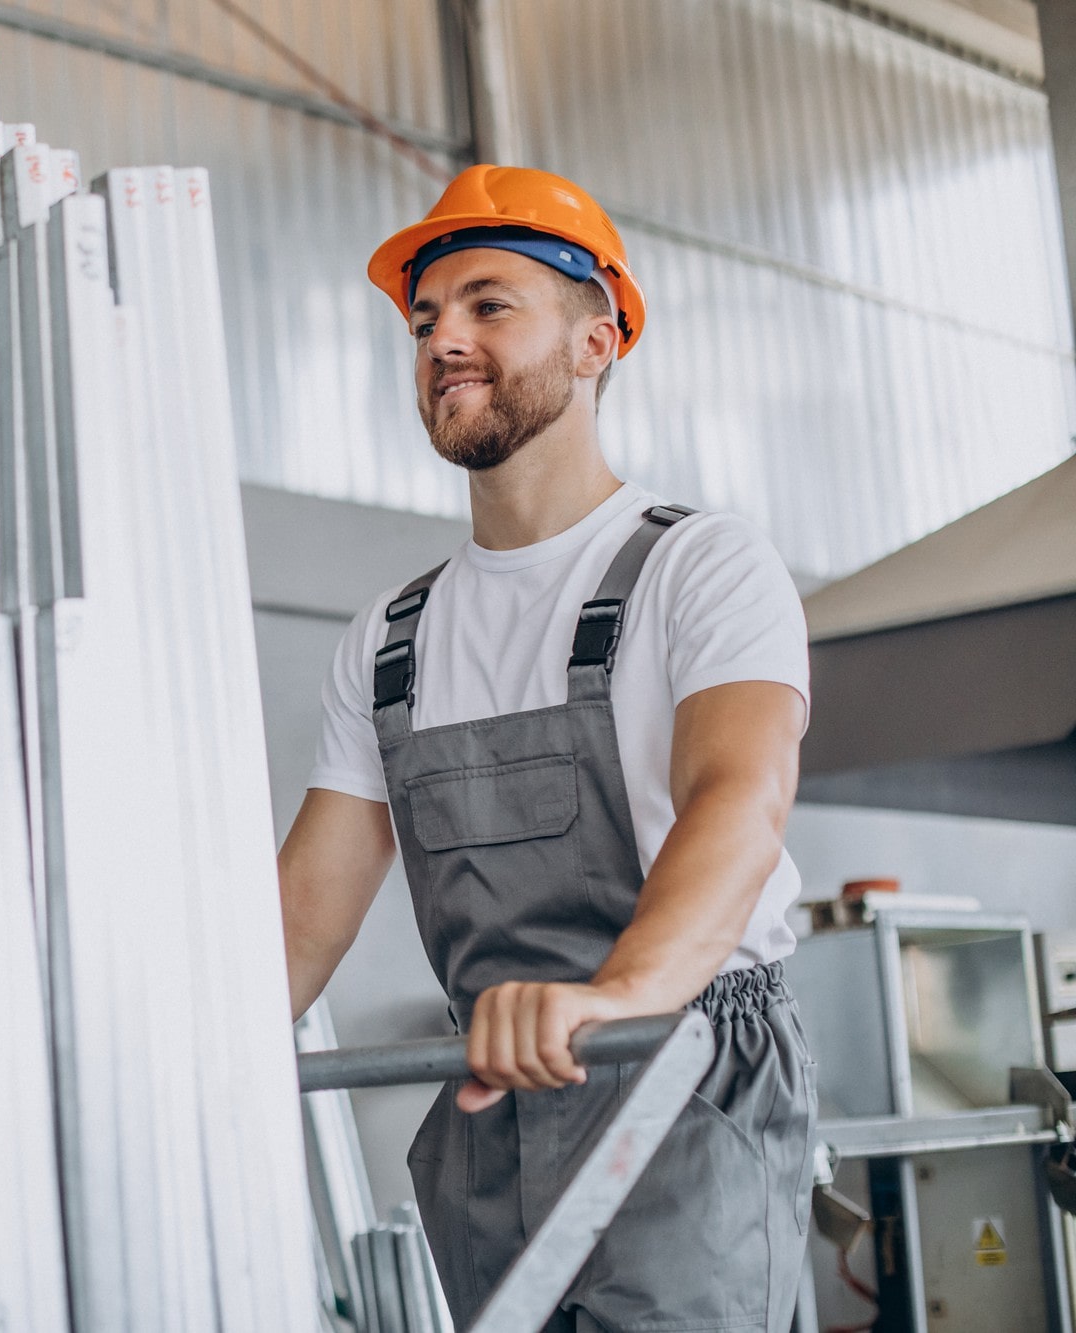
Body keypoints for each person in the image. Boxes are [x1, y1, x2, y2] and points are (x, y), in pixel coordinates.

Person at [278, 165, 817, 1332]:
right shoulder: (389, 640)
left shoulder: (699, 566)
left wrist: (613, 997)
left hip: (680, 1072)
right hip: (492, 1098)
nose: (442, 342)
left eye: (486, 304)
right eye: (422, 321)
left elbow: (737, 798)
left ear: (594, 341)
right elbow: (298, 922)